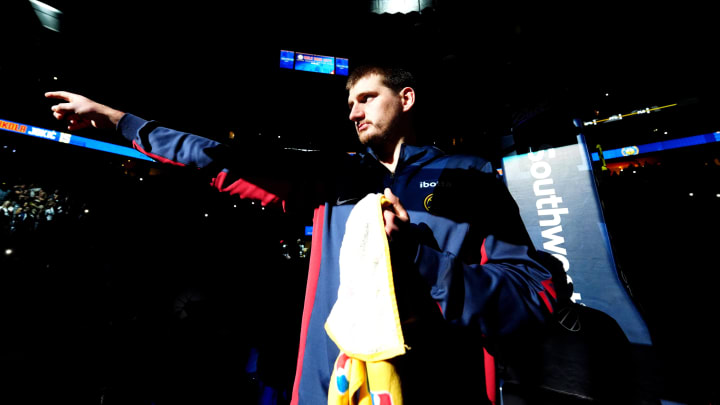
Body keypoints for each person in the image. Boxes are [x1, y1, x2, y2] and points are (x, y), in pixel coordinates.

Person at [46, 64, 558, 404]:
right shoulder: (333, 180)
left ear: (406, 98)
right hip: (328, 390)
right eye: (349, 103)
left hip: (439, 389)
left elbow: (532, 295)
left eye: (366, 97)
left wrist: (418, 260)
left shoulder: (467, 175)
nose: (354, 111)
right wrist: (118, 119)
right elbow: (215, 158)